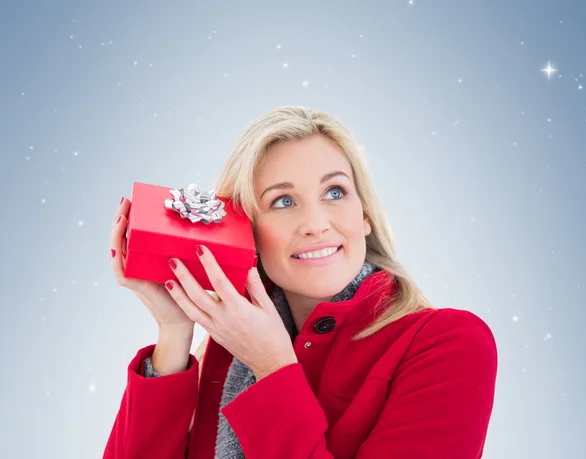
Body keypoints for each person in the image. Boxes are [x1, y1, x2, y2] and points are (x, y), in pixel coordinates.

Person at [103, 106, 498, 459]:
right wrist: (174, 330)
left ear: (364, 215)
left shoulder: (450, 343)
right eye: (283, 201)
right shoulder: (230, 350)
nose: (315, 224)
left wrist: (272, 368)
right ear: (247, 231)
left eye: (335, 192)